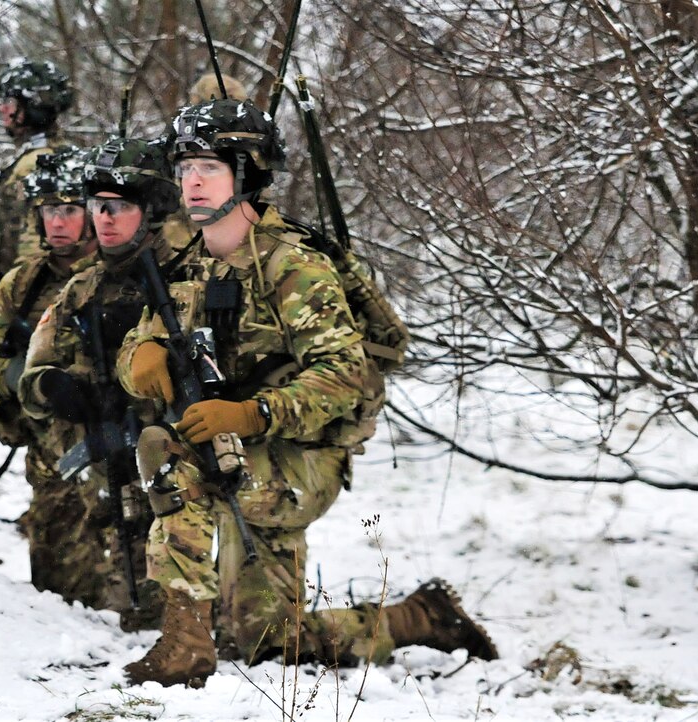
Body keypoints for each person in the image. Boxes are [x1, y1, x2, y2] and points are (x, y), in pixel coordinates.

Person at [116, 98, 497, 687]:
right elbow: (143, 343)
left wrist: (252, 412)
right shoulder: (188, 266)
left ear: (246, 176)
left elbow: (344, 374)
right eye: (185, 167)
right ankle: (419, 618)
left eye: (209, 168)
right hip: (234, 453)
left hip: (299, 460)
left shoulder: (292, 266)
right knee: (267, 643)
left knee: (165, 449)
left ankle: (185, 642)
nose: (191, 181)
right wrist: (136, 357)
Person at [17, 137, 188, 631]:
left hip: (180, 465)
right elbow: (33, 376)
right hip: (109, 466)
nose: (105, 218)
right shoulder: (82, 290)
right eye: (98, 206)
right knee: (124, 598)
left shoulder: (188, 277)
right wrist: (55, 389)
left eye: (120, 206)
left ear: (150, 211)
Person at [0, 147, 123, 615]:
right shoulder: (24, 280)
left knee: (134, 594)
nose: (58, 222)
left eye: (70, 210)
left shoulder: (121, 275)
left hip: (118, 453)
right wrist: (20, 378)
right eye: (49, 210)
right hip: (52, 460)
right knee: (57, 598)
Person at [0, 57, 73, 300]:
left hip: (30, 299)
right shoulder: (48, 155)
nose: (2, 108)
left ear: (32, 107)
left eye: (9, 102)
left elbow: (35, 253)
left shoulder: (37, 164)